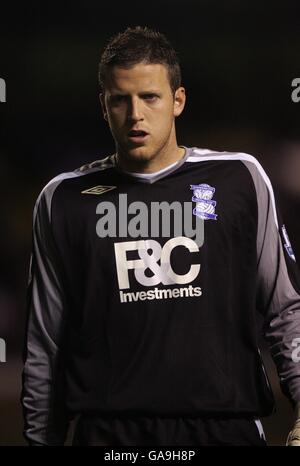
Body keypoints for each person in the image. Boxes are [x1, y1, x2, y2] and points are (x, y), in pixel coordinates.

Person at [22, 26, 300, 446]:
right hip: (108, 435)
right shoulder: (64, 199)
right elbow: (45, 345)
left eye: (150, 97)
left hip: (225, 429)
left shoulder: (239, 177)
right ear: (104, 106)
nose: (136, 114)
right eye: (121, 99)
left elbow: (286, 310)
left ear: (177, 101)